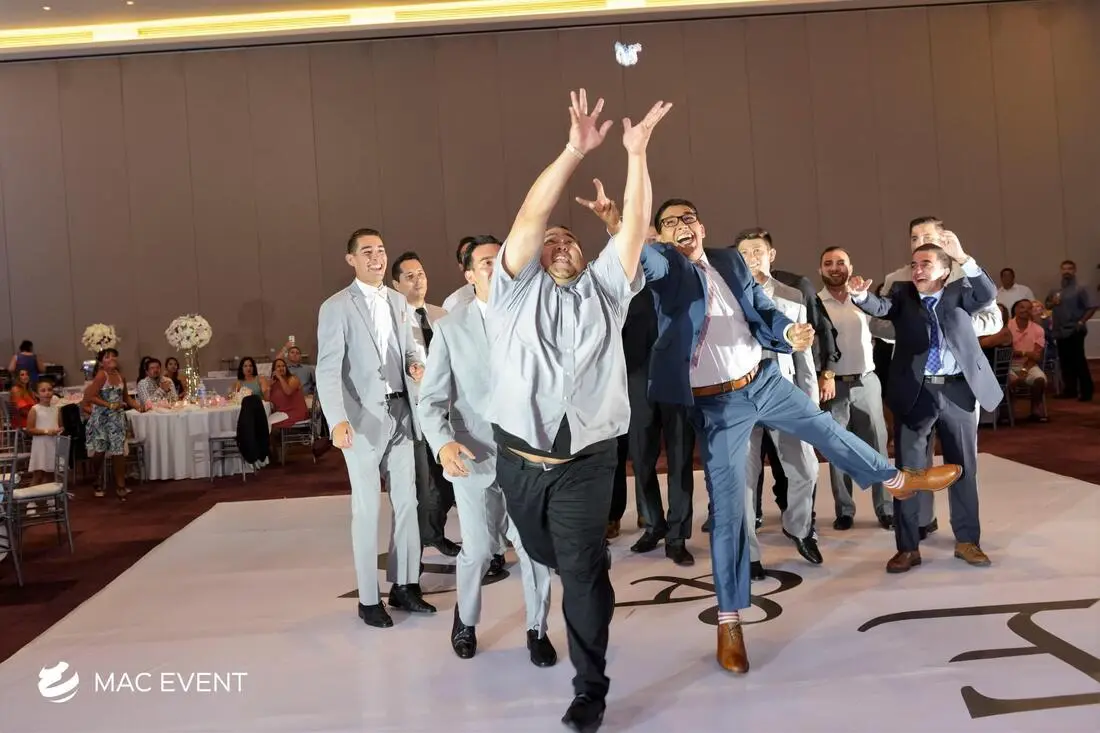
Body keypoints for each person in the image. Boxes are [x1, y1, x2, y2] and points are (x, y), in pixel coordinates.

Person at [632, 197, 963, 676]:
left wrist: (788, 334)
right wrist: (622, 222)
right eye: (669, 223)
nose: (681, 226)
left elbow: (762, 309)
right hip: (718, 406)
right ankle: (729, 623)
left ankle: (896, 480)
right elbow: (637, 249)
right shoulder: (665, 267)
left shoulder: (729, 261)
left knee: (824, 428)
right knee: (729, 513)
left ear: (701, 226)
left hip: (763, 381)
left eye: (688, 218)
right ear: (661, 235)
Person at [484, 88, 671, 733]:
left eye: (570, 240)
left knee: (583, 571)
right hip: (519, 461)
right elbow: (531, 214)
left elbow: (633, 228)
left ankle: (590, 687)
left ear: (586, 254)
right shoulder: (511, 293)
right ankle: (580, 566)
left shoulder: (607, 292)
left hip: (587, 463)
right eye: (550, 241)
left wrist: (636, 155)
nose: (559, 244)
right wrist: (573, 151)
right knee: (545, 554)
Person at [417, 238, 555, 665]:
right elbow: (431, 400)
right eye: (487, 263)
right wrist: (443, 443)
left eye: (503, 261)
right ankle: (466, 620)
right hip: (474, 456)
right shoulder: (450, 328)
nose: (497, 269)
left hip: (528, 459)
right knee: (477, 550)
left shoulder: (533, 317)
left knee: (533, 549)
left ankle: (537, 630)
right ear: (469, 275)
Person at [847, 234, 1002, 572]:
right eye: (914, 265)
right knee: (909, 475)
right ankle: (907, 548)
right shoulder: (902, 294)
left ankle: (968, 541)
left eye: (925, 264)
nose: (917, 270)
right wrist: (859, 295)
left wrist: (964, 256)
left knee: (963, 469)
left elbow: (988, 293)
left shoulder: (961, 293)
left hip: (958, 392)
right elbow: (880, 307)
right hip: (916, 394)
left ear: (945, 271)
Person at [316, 227, 435, 629]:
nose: (376, 258)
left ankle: (406, 584)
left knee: (408, 503)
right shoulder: (336, 306)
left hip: (401, 412)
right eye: (366, 251)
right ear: (351, 259)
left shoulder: (399, 301)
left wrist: (416, 366)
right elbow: (327, 370)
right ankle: (368, 599)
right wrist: (337, 420)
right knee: (367, 509)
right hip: (361, 422)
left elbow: (411, 350)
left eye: (381, 250)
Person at [735, 233, 821, 576]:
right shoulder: (728, 295)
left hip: (783, 394)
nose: (751, 256)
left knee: (807, 469)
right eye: (744, 252)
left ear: (771, 254)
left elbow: (804, 356)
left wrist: (810, 403)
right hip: (740, 398)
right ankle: (749, 553)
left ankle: (798, 527)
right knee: (744, 478)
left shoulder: (792, 295)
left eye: (757, 250)